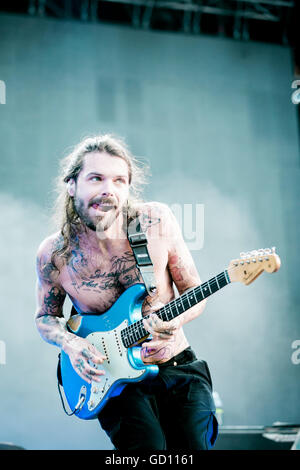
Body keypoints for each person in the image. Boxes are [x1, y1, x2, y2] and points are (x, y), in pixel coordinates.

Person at [35, 134, 218, 450]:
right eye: (96, 178)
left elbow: (194, 291)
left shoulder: (155, 222)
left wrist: (173, 323)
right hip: (116, 381)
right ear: (71, 185)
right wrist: (72, 345)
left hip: (177, 366)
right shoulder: (55, 253)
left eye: (120, 180)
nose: (109, 189)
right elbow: (46, 318)